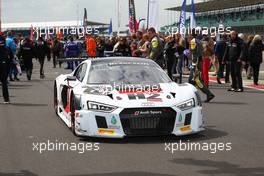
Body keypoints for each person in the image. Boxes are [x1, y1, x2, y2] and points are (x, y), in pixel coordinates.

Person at [189, 31, 215, 102]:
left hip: (196, 62)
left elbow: (194, 53)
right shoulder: (200, 41)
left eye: (190, 35)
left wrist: (193, 63)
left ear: (192, 35)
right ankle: (193, 97)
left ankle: (209, 94)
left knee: (196, 80)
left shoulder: (194, 41)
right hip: (199, 61)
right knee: (192, 80)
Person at [0, 34, 13, 104]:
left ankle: (6, 99)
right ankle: (6, 99)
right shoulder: (7, 48)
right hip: (4, 67)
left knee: (4, 83)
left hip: (4, 66)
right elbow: (11, 57)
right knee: (4, 83)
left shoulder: (7, 48)